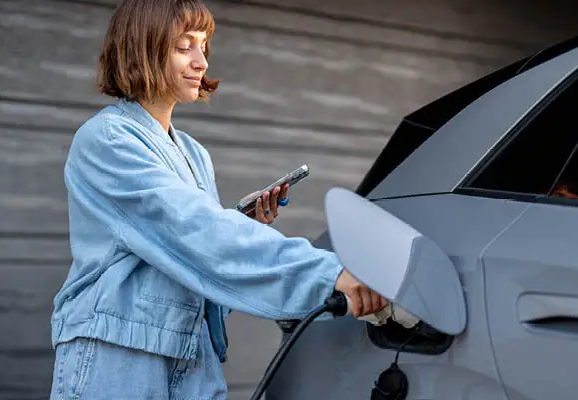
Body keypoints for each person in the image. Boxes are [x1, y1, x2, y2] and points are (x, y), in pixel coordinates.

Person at [47, 1, 388, 399]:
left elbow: (198, 254)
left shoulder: (193, 154)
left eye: (204, 46)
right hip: (121, 360)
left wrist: (244, 223)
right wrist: (327, 276)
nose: (202, 61)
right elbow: (198, 233)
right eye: (184, 46)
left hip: (192, 360)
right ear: (142, 48)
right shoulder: (107, 140)